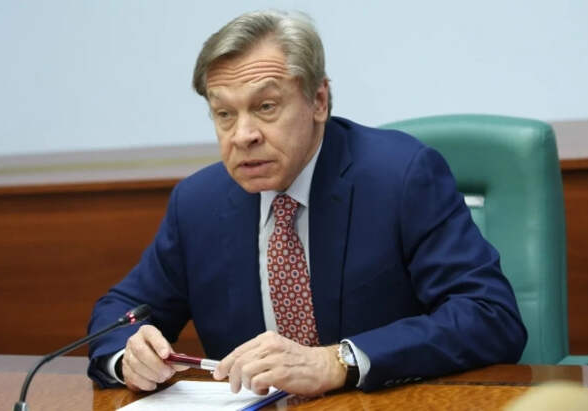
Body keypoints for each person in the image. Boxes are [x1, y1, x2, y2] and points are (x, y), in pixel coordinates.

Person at [87, 10, 527, 396]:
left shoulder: (401, 177)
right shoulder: (197, 204)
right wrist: (128, 356)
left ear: (318, 100)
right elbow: (119, 313)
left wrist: (339, 361)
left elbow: (490, 316)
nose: (243, 135)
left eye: (265, 106)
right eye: (224, 114)